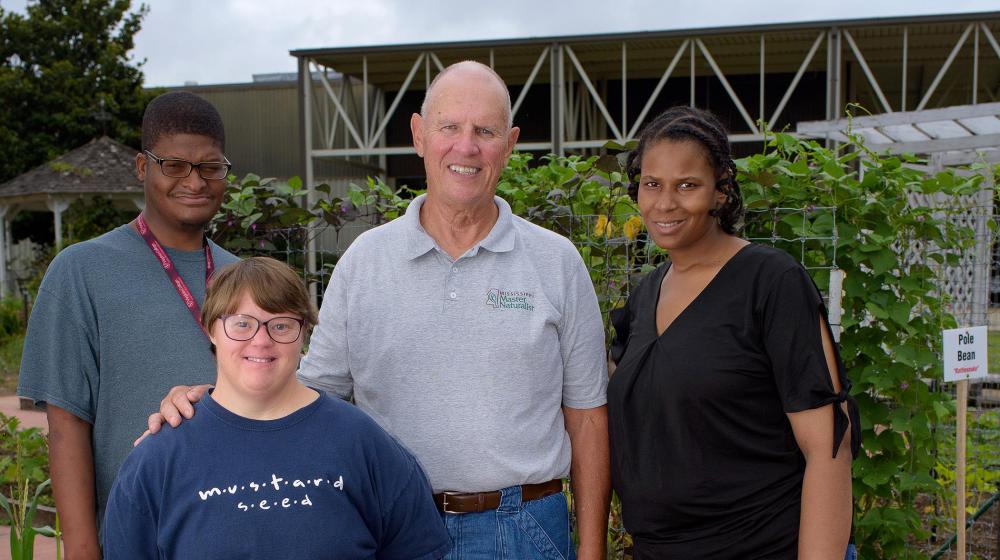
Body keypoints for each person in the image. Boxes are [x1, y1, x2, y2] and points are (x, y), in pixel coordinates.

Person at [151, 61, 611, 559]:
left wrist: (590, 552)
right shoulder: (364, 262)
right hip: (392, 526)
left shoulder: (557, 262)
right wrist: (213, 404)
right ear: (418, 134)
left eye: (485, 131)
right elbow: (308, 394)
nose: (466, 146)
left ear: (511, 143)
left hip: (524, 531)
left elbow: (587, 417)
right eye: (449, 127)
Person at [607, 105, 860, 559]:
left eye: (687, 185)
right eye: (652, 184)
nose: (665, 203)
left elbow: (828, 445)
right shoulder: (644, 296)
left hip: (760, 546)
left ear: (721, 191)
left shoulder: (769, 282)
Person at [102, 257, 450, 559]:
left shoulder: (362, 443)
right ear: (211, 329)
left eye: (281, 325)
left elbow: (415, 549)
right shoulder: (158, 458)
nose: (261, 340)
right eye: (242, 324)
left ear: (304, 334)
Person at [16, 91, 240, 559]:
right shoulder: (82, 270)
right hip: (137, 538)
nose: (195, 181)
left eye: (211, 167)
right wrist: (82, 551)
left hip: (237, 529)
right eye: (174, 165)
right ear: (143, 167)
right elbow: (66, 424)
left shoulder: (241, 277)